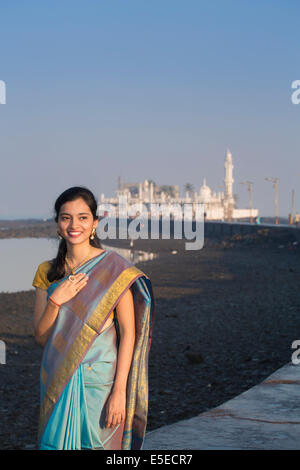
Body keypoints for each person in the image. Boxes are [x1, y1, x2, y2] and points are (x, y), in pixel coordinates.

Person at [32, 186, 154, 450]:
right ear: (58, 224)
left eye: (83, 217)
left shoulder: (114, 269)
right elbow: (41, 337)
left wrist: (120, 391)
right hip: (58, 378)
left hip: (101, 381)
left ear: (95, 223)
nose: (74, 225)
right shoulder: (46, 272)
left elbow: (129, 332)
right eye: (66, 217)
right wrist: (56, 300)